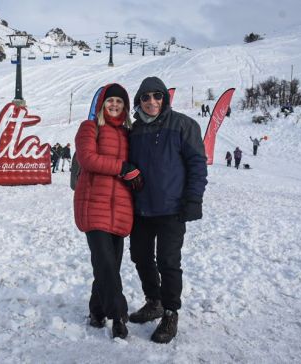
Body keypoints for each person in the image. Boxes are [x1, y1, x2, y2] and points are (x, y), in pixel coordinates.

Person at [128, 76, 208, 344]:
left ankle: (171, 312)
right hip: (141, 209)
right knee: (140, 256)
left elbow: (197, 165)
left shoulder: (183, 125)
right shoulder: (134, 130)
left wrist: (193, 200)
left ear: (165, 98)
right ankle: (155, 301)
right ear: (139, 100)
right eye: (146, 97)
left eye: (157, 96)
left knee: (168, 262)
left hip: (172, 209)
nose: (152, 102)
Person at [73, 83, 142, 340]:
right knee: (105, 264)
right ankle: (118, 315)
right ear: (102, 104)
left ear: (125, 107)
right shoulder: (89, 128)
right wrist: (123, 167)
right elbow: (87, 158)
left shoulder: (128, 134)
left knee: (108, 266)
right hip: (93, 204)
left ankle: (96, 311)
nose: (115, 105)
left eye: (120, 102)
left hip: (121, 208)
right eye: (111, 101)